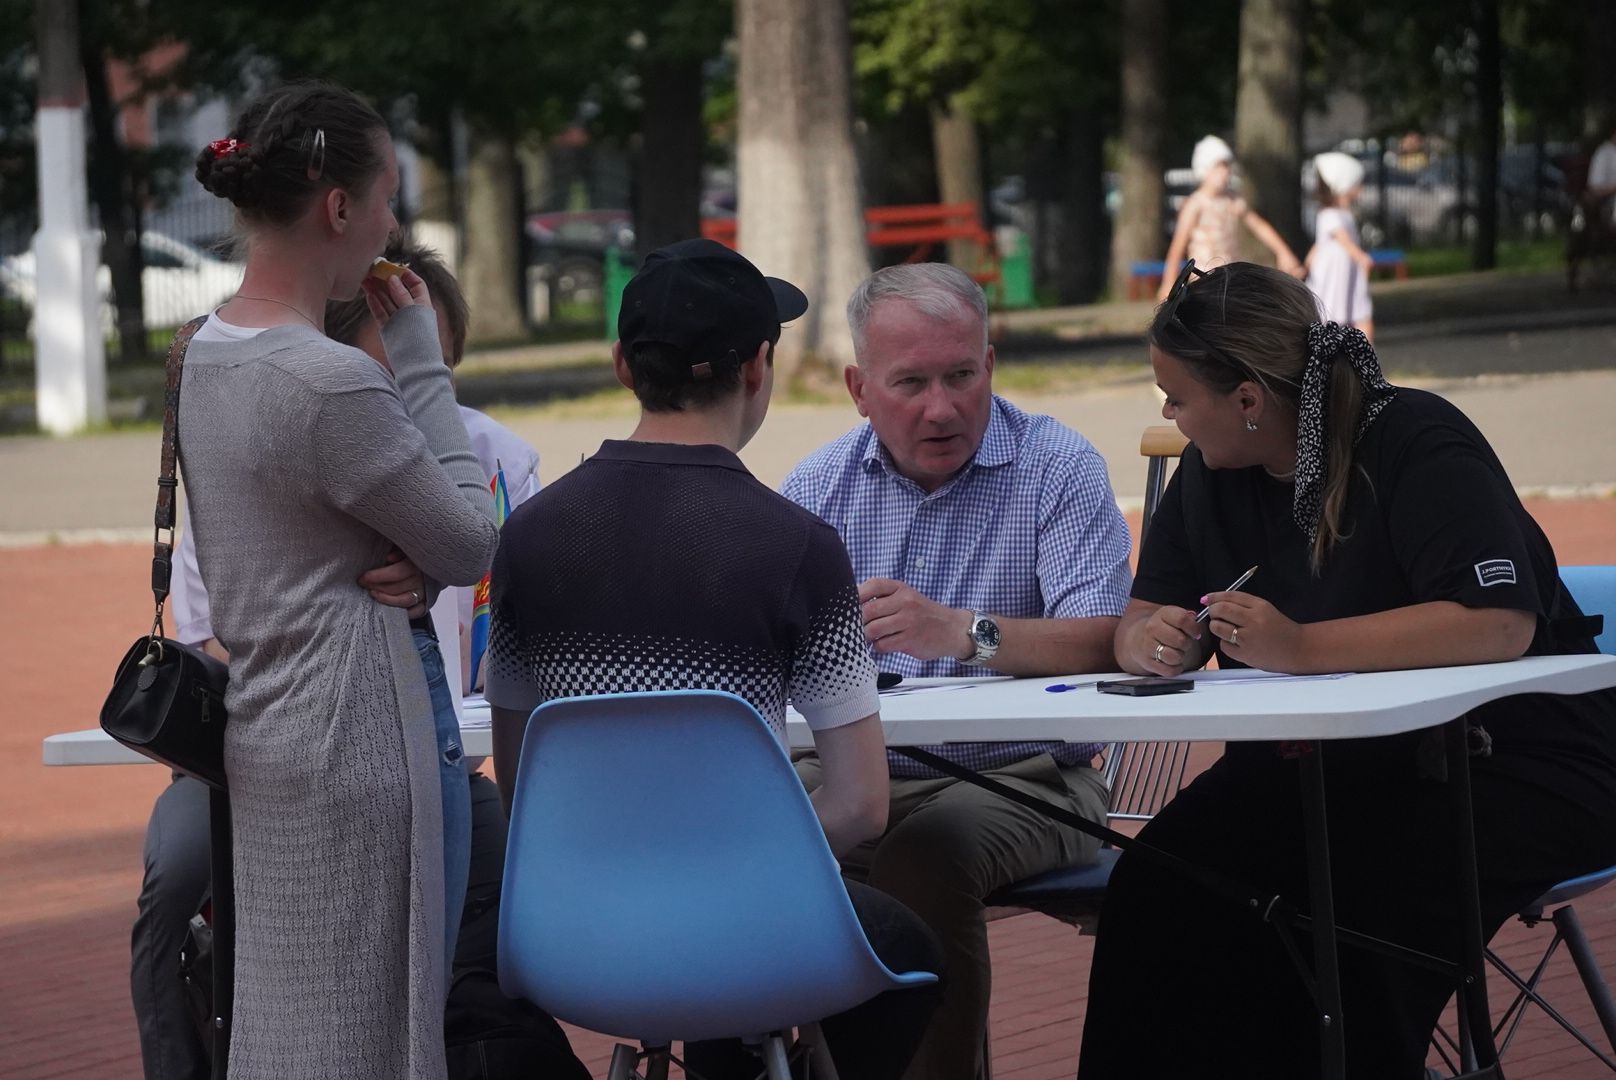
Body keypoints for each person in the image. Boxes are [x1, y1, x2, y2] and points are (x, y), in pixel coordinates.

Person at [1077, 261, 1616, 1079]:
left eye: (1178, 397)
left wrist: (1300, 647)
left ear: (1249, 401)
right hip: (1326, 765)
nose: (1168, 414)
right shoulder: (1209, 475)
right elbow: (1140, 615)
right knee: (1160, 888)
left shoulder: (1414, 439)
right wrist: (1151, 640)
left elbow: (1498, 622)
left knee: (1354, 922)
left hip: (1511, 759)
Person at [485, 238, 944, 1080]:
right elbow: (862, 804)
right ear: (759, 367)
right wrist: (742, 860)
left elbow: (523, 786)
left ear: (624, 363)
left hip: (575, 936)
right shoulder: (798, 546)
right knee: (906, 948)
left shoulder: (528, 536)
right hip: (750, 930)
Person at [133, 246, 557, 1080]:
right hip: (269, 747)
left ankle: (480, 1047)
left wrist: (442, 555)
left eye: (424, 353)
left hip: (432, 756)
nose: (404, 375)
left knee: (498, 859)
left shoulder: (495, 455)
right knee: (177, 877)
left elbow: (512, 599)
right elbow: (210, 636)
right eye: (390, 349)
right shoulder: (286, 417)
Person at [185, 82, 498, 1079]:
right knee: (383, 1035)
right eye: (387, 197)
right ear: (337, 209)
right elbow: (468, 541)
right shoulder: (330, 379)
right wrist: (417, 360)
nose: (392, 224)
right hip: (365, 726)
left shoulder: (202, 353)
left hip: (268, 726)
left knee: (290, 1031)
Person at [780, 262, 1132, 1080]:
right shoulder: (819, 486)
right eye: (911, 383)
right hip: (858, 771)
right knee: (735, 827)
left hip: (1034, 775)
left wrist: (964, 634)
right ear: (859, 388)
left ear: (991, 365)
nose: (942, 407)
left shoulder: (1056, 464)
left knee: (927, 852)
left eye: (960, 375)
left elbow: (1104, 639)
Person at [1157, 134, 1302, 299]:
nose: (1225, 172)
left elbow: (1259, 226)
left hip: (1229, 277)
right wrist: (1168, 283)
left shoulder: (1233, 201)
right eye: (1219, 167)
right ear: (1204, 169)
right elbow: (1177, 247)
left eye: (1227, 166)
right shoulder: (1195, 204)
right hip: (1203, 279)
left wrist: (1283, 252)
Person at [1305, 150, 1376, 342]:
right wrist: (1360, 256)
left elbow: (1320, 244)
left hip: (1345, 271)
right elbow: (1342, 238)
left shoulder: (1340, 213)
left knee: (1355, 309)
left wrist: (1308, 262)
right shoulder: (1330, 214)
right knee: (1342, 310)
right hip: (1335, 273)